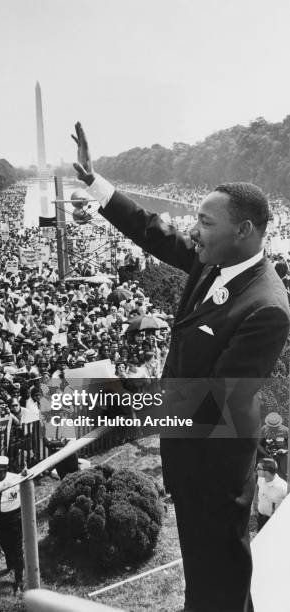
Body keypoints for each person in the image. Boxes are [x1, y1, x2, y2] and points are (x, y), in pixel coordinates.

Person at [72, 122, 290, 612]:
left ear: (245, 230)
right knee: (213, 578)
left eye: (205, 223)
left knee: (218, 580)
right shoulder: (215, 259)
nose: (194, 230)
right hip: (191, 456)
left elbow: (218, 401)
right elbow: (154, 230)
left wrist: (108, 405)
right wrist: (95, 182)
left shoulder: (267, 306)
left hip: (217, 464)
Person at [0, 455, 24, 594]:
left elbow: (28, 493)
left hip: (14, 517)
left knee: (16, 548)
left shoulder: (16, 479)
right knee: (4, 544)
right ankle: (10, 564)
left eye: (0, 471)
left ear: (6, 469)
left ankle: (19, 579)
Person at [256, 458, 287, 531]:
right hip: (260, 517)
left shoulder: (283, 487)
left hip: (273, 522)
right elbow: (257, 486)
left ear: (266, 472)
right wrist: (255, 505)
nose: (256, 469)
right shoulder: (260, 479)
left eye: (258, 468)